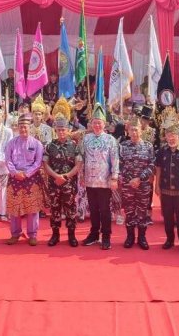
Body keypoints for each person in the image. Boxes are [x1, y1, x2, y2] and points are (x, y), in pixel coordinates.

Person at [43, 100, 83, 247]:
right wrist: (56, 177)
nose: (61, 132)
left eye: (63, 130)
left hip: (69, 184)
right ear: (55, 130)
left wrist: (65, 177)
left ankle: (71, 236)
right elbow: (46, 164)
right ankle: (55, 235)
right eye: (59, 130)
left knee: (71, 210)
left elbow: (78, 165)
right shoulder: (50, 146)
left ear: (67, 130)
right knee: (55, 210)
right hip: (54, 184)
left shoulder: (74, 146)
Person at [82, 104, 120, 250]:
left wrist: (115, 177)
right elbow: (81, 157)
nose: (97, 125)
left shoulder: (110, 140)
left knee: (104, 209)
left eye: (99, 123)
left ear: (104, 124)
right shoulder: (86, 139)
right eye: (95, 122)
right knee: (93, 209)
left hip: (105, 181)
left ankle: (106, 236)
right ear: (91, 124)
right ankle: (93, 234)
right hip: (90, 181)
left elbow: (115, 159)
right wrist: (81, 176)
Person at [154, 111, 179, 251]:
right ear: (165, 137)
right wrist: (156, 185)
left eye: (174, 135)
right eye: (168, 135)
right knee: (168, 218)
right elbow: (158, 169)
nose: (171, 138)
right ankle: (169, 240)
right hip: (165, 189)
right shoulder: (162, 151)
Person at [4, 113, 45, 246]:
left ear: (30, 128)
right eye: (21, 127)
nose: (23, 129)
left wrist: (26, 174)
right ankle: (15, 233)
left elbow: (38, 163)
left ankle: (32, 234)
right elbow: (8, 160)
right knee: (14, 208)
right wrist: (15, 173)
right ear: (17, 128)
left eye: (25, 127)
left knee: (32, 209)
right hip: (14, 179)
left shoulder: (37, 144)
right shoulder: (11, 143)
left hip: (31, 179)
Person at [119, 118, 155, 250]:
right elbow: (120, 164)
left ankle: (142, 237)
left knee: (142, 211)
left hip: (143, 185)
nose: (134, 132)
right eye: (131, 130)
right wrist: (130, 179)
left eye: (136, 130)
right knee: (129, 210)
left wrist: (140, 178)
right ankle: (130, 237)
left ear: (141, 131)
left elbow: (152, 164)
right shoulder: (123, 146)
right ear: (127, 131)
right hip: (128, 185)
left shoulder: (148, 146)